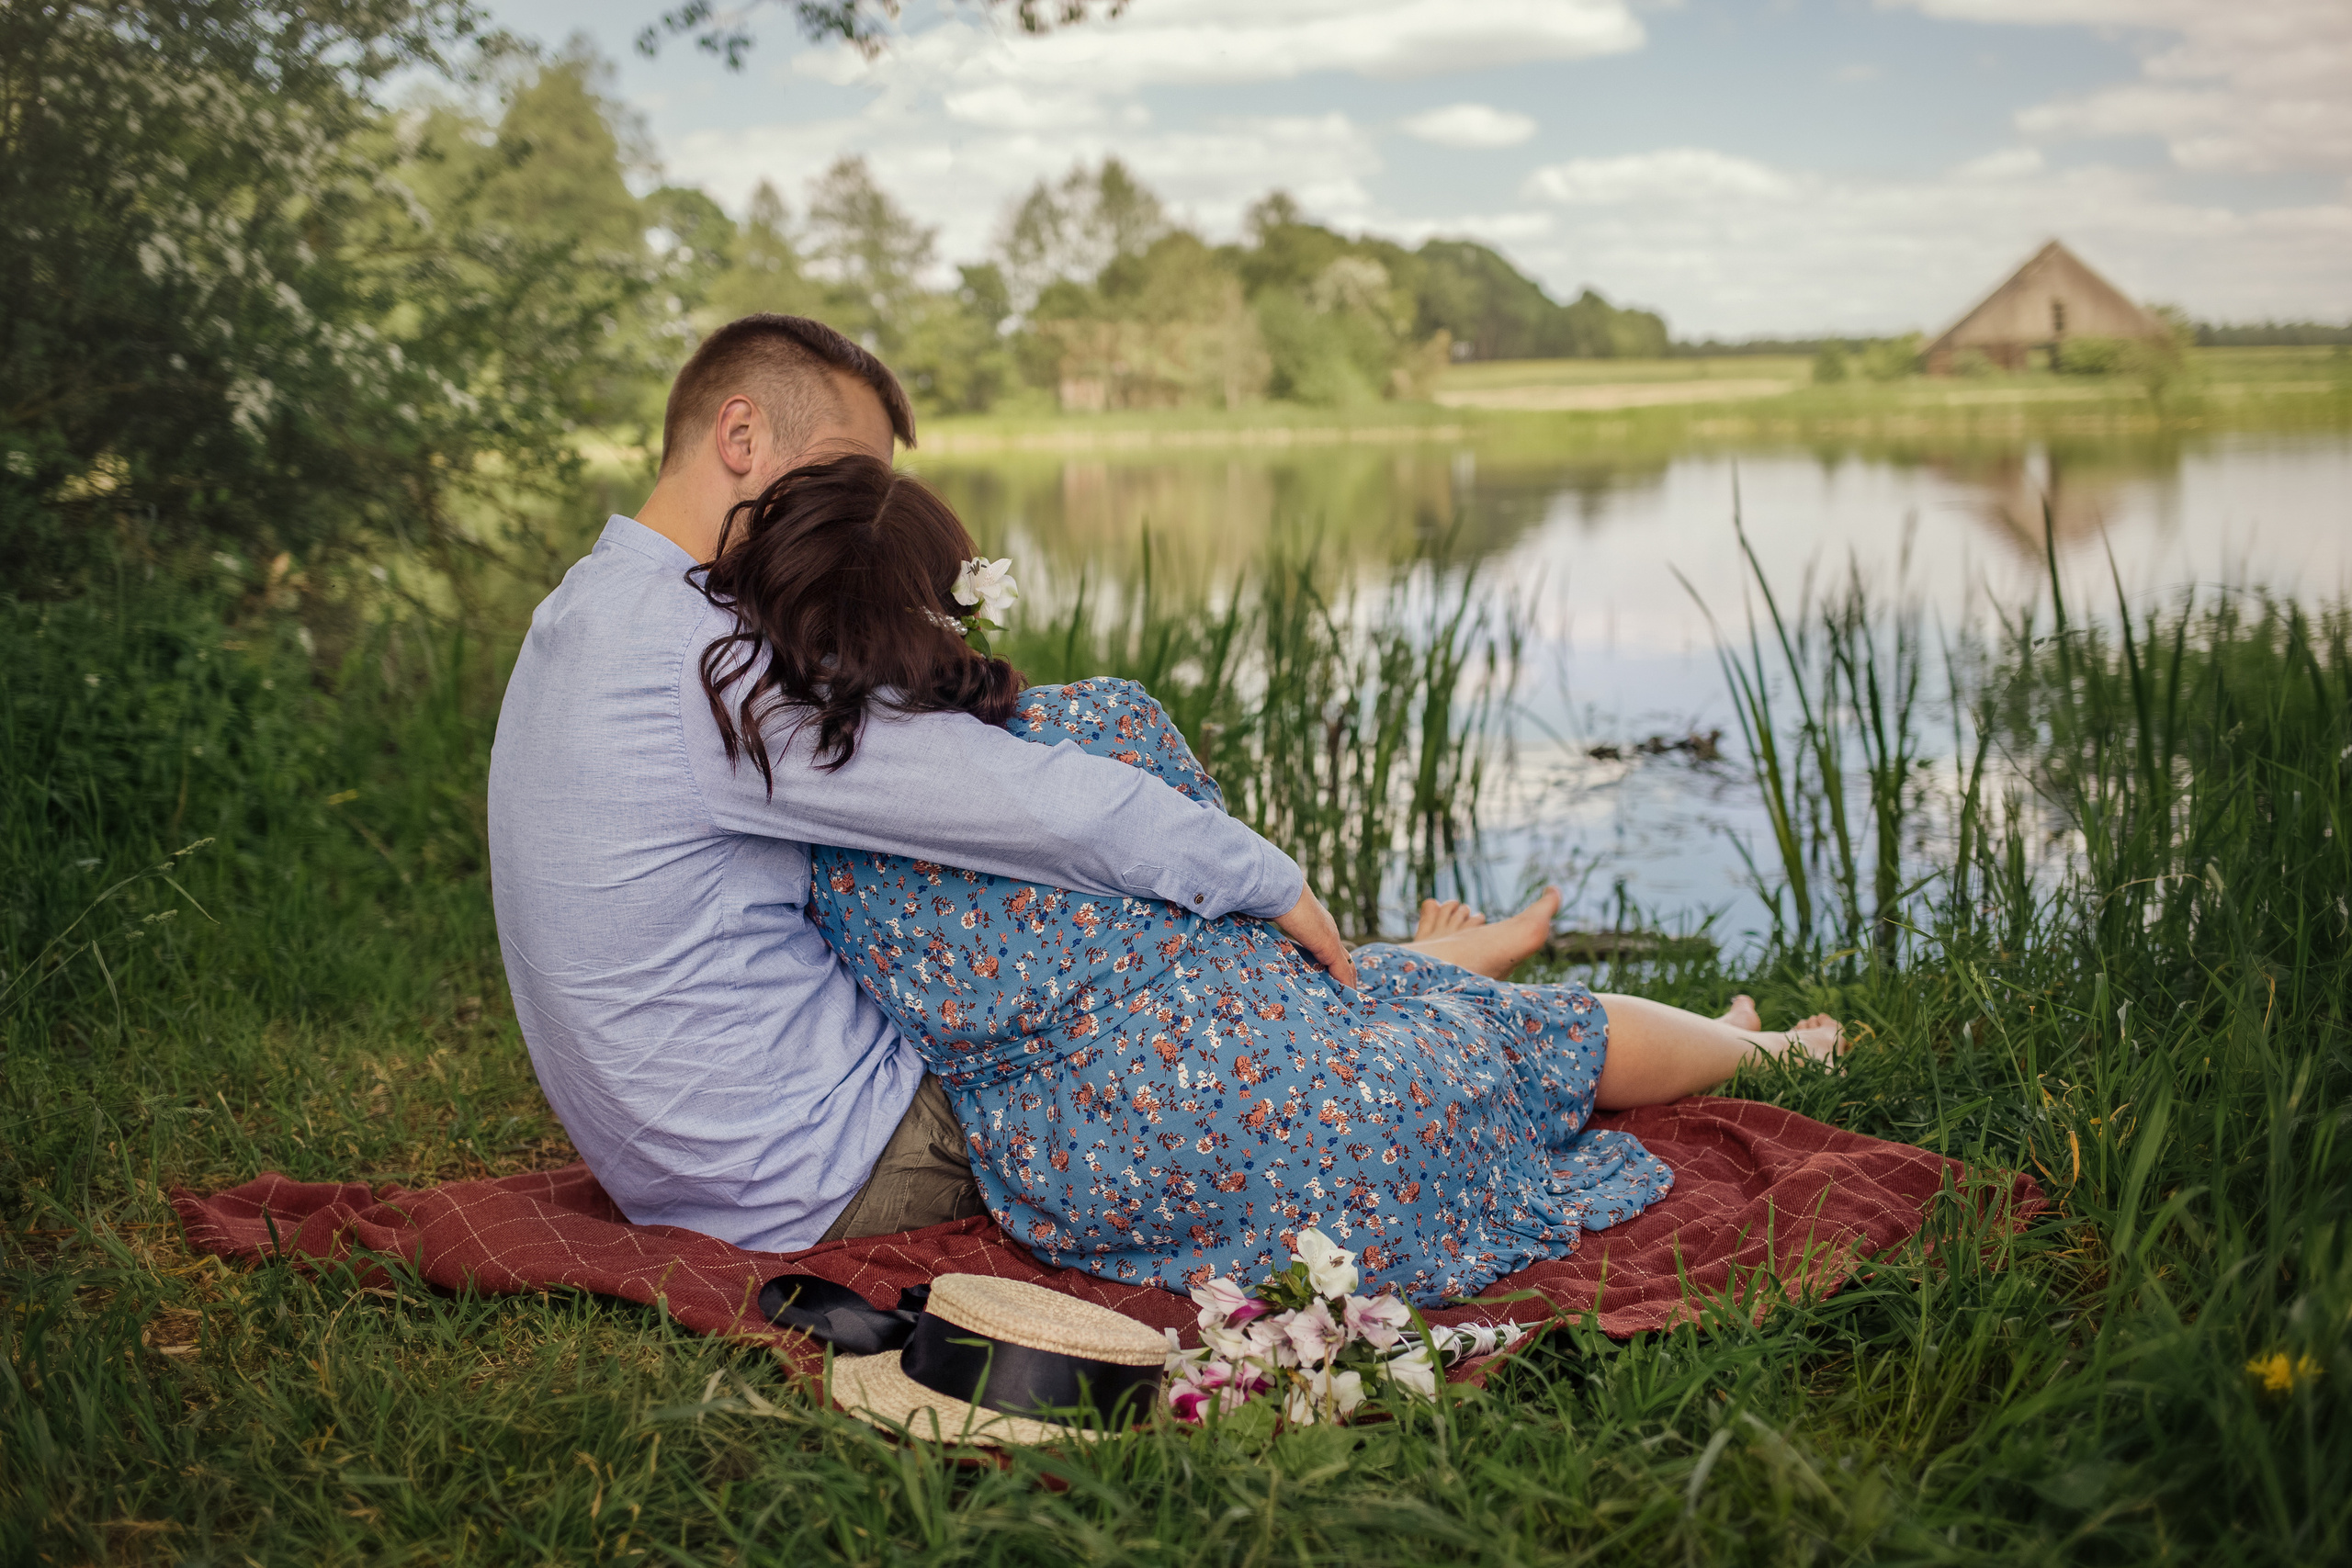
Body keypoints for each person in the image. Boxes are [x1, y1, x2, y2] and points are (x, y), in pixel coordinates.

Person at [704, 452, 1846, 1305]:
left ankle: (1470, 959)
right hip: (1333, 1151)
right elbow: (1241, 933)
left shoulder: (814, 843)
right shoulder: (1097, 723)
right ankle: (1770, 1048)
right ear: (957, 600)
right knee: (1531, 1027)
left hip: (1086, 1185)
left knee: (1347, 1002)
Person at [486, 315, 1349, 1252]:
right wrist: (1274, 882)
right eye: (842, 470)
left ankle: (1368, 993)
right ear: (740, 438)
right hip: (817, 1171)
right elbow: (1030, 804)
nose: (860, 512)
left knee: (1057, 882)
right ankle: (1358, 1010)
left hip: (691, 1168)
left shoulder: (590, 604)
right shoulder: (704, 665)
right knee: (1103, 775)